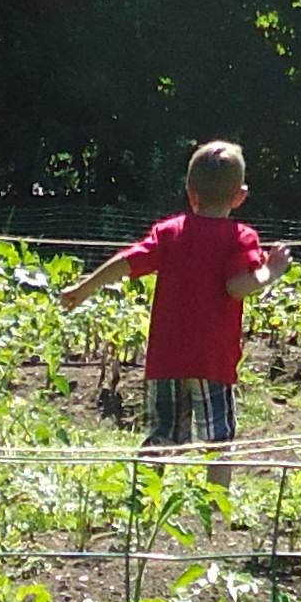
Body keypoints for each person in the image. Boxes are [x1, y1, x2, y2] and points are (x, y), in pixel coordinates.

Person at [57, 140, 276, 464]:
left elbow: (128, 261)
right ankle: (217, 510)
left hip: (167, 358)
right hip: (212, 361)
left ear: (190, 192)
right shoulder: (240, 237)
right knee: (218, 440)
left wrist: (87, 286)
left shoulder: (169, 232)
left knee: (160, 436)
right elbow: (236, 286)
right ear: (239, 196)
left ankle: (144, 502)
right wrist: (271, 271)